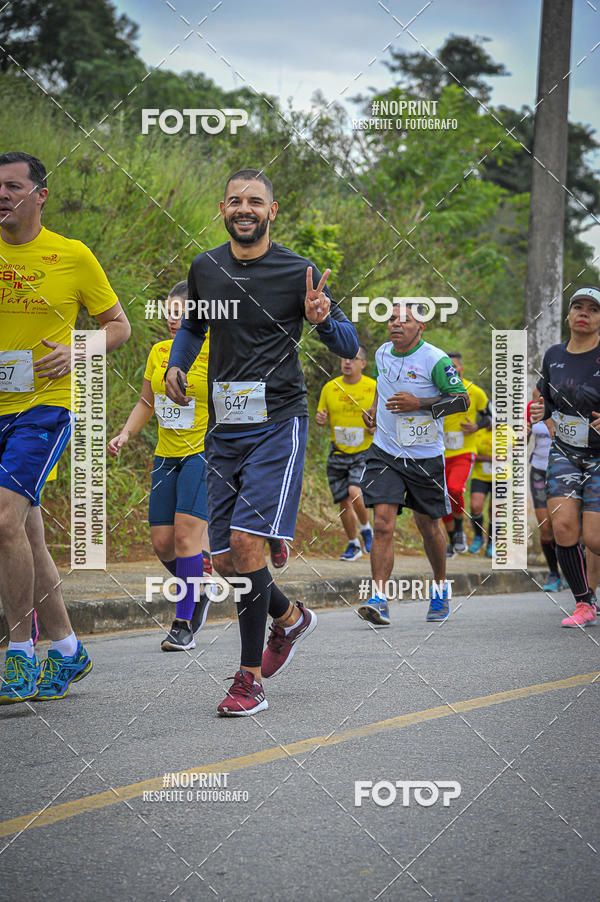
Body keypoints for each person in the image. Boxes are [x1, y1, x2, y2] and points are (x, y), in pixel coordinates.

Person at [165, 168, 359, 715]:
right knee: (226, 561)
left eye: (255, 201)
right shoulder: (205, 267)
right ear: (222, 209)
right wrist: (178, 366)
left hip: (279, 422)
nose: (244, 208)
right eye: (235, 201)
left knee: (248, 548)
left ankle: (248, 680)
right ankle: (290, 619)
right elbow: (193, 328)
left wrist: (322, 320)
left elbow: (347, 341)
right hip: (224, 427)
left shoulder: (299, 270)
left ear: (272, 211)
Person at [0, 151, 131, 704]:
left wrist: (80, 350)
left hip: (45, 408)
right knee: (26, 533)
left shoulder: (72, 256)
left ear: (40, 195)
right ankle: (69, 648)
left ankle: (16, 655)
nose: (3, 194)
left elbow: (117, 326)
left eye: (13, 186)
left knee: (4, 520)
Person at [108, 282, 212, 651]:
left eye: (180, 312)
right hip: (166, 456)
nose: (172, 318)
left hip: (204, 452)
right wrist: (124, 435)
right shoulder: (159, 352)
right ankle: (198, 584)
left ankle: (183, 622)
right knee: (162, 543)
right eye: (168, 311)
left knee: (186, 537)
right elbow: (145, 402)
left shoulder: (216, 349)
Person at [356, 302, 468, 626]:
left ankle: (439, 587)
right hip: (385, 452)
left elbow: (462, 400)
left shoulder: (435, 359)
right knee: (382, 523)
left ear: (421, 327)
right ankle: (379, 597)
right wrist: (374, 411)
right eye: (392, 318)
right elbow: (381, 386)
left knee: (428, 525)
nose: (395, 323)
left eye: (405, 320)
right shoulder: (381, 354)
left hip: (424, 456)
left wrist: (420, 403)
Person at [530, 286, 600, 628]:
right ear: (569, 314)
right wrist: (542, 417)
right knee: (562, 527)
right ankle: (584, 603)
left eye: (592, 309)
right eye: (578, 307)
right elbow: (543, 399)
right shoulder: (554, 354)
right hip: (565, 453)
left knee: (595, 538)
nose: (584, 313)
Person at [315, 346, 376, 561]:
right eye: (345, 358)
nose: (348, 362)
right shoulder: (330, 388)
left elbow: (384, 419)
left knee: (354, 491)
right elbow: (321, 416)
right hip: (338, 451)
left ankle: (367, 528)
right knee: (343, 502)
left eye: (354, 358)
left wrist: (374, 426)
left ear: (363, 364)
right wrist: (320, 419)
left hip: (364, 451)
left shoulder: (373, 387)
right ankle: (353, 544)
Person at [441, 352, 490, 556]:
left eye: (454, 366)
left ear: (461, 368)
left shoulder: (475, 392)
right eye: (447, 367)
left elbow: (491, 418)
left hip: (464, 451)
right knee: (441, 498)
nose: (451, 370)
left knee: (454, 488)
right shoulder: (438, 390)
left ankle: (460, 530)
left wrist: (477, 426)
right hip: (440, 453)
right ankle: (452, 539)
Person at [526, 383, 563, 591]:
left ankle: (577, 573)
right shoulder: (531, 410)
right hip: (539, 471)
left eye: (541, 397)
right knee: (546, 526)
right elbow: (522, 438)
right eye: (535, 397)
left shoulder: (566, 409)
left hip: (564, 473)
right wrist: (523, 433)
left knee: (566, 526)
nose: (537, 400)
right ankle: (553, 574)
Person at [468, 421, 515, 559]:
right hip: (480, 476)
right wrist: (488, 458)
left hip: (501, 476)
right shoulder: (478, 433)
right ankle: (478, 537)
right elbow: (471, 455)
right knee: (476, 506)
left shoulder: (508, 431)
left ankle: (491, 544)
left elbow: (515, 449)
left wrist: (508, 456)